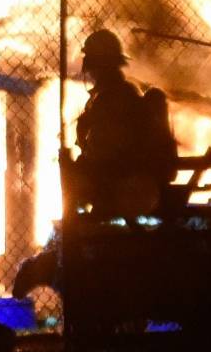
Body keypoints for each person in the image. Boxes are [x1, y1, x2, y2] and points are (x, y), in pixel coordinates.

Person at [69, 29, 178, 223]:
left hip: (123, 187)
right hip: (142, 184)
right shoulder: (127, 93)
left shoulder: (109, 101)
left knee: (75, 173)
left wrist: (82, 153)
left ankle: (89, 229)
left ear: (95, 65)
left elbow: (102, 151)